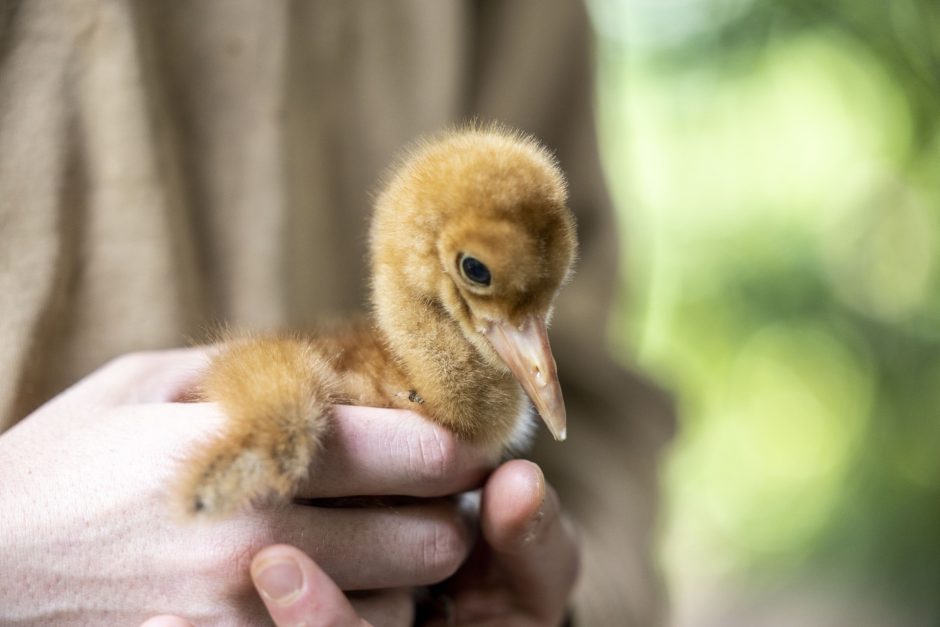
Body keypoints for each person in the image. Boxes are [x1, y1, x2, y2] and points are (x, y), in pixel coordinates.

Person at [0, 1, 674, 624]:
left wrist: (549, 601)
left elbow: (597, 410)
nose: (536, 358)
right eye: (478, 272)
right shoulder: (310, 388)